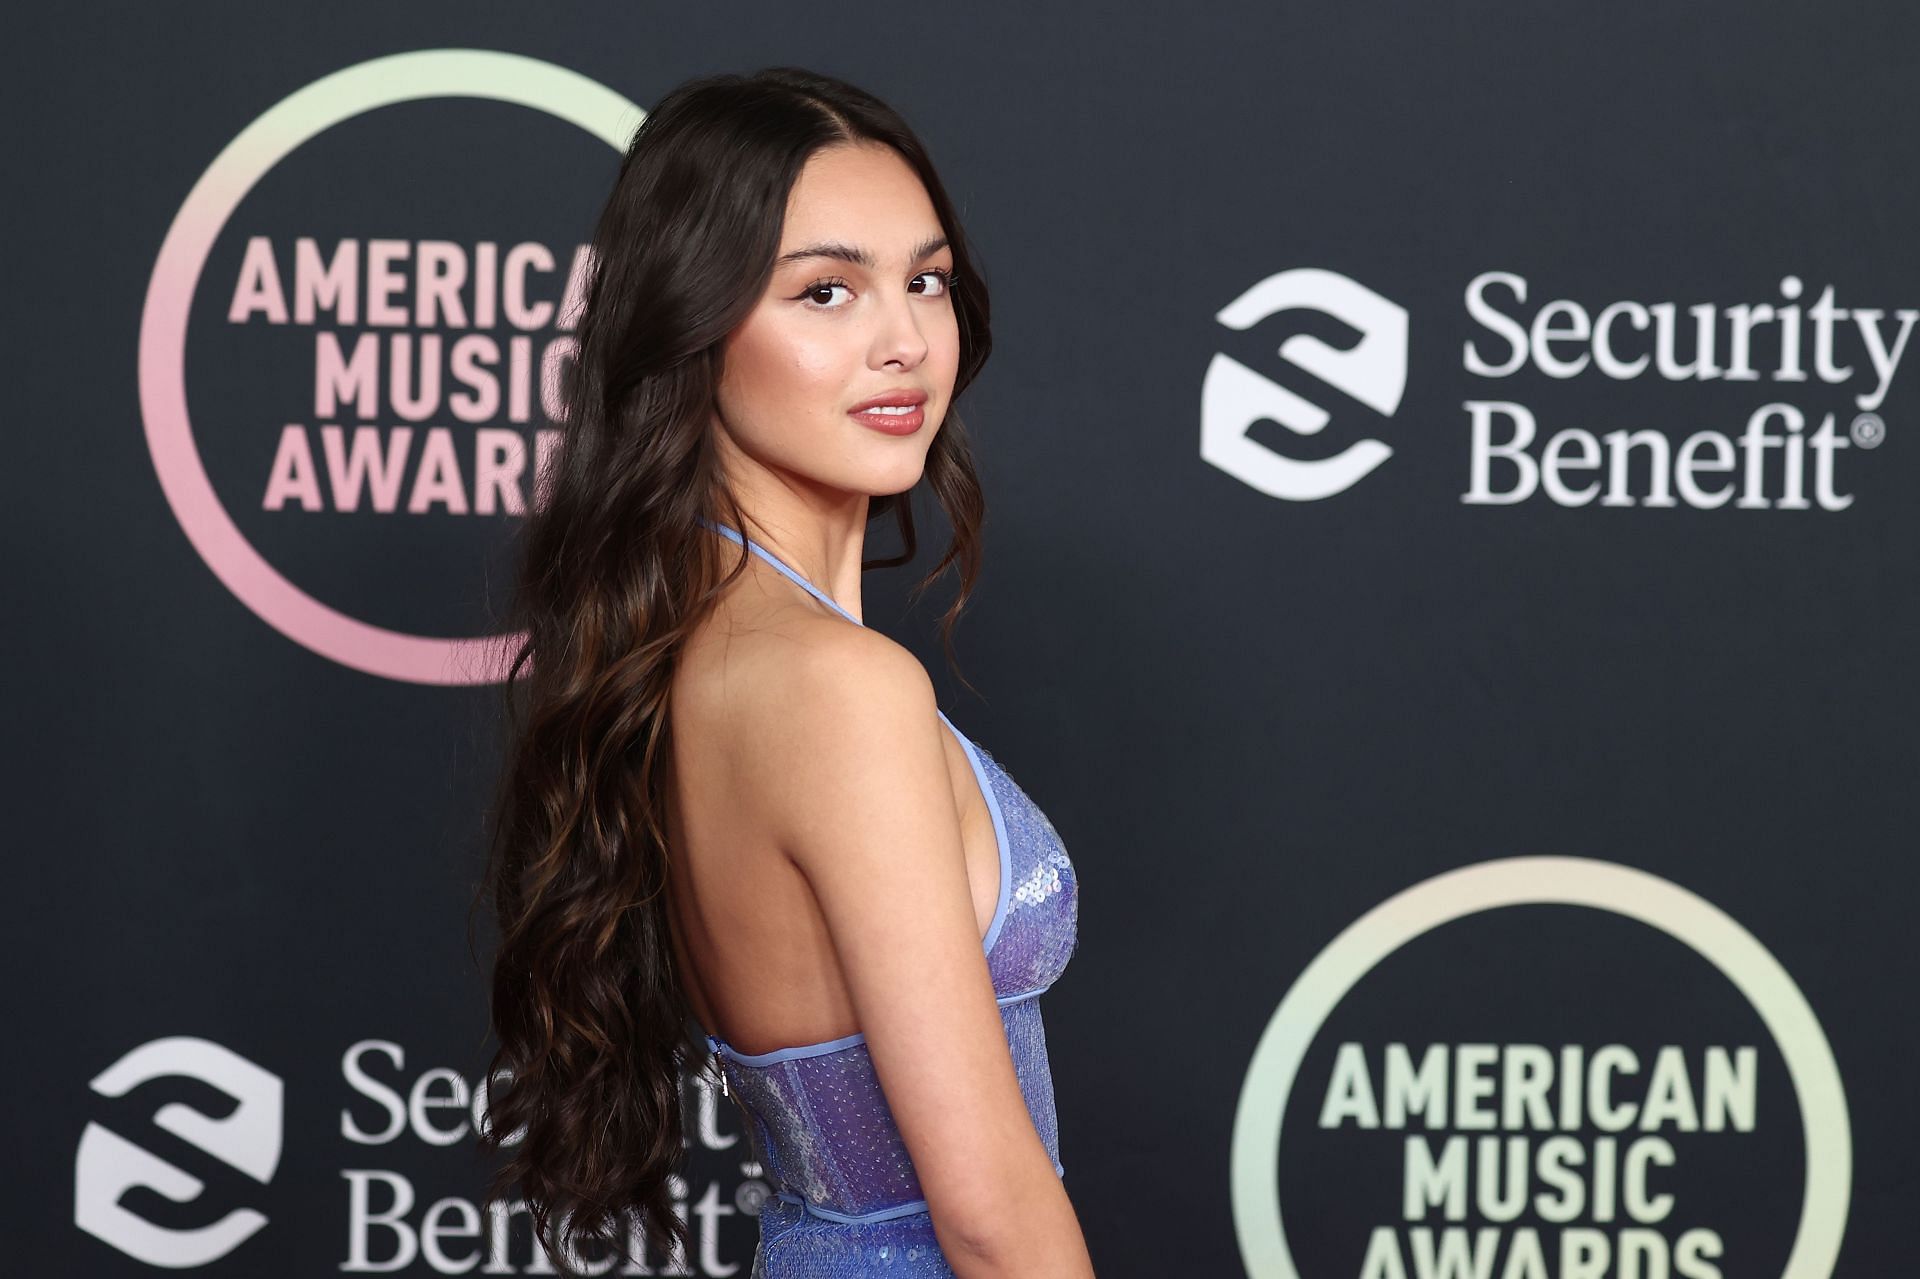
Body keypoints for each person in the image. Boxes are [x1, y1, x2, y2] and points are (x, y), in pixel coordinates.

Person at [475, 67, 1091, 1278]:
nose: (906, 339)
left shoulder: (700, 649)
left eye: (926, 280)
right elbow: (985, 1209)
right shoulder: (837, 685)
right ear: (695, 329)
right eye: (826, 290)